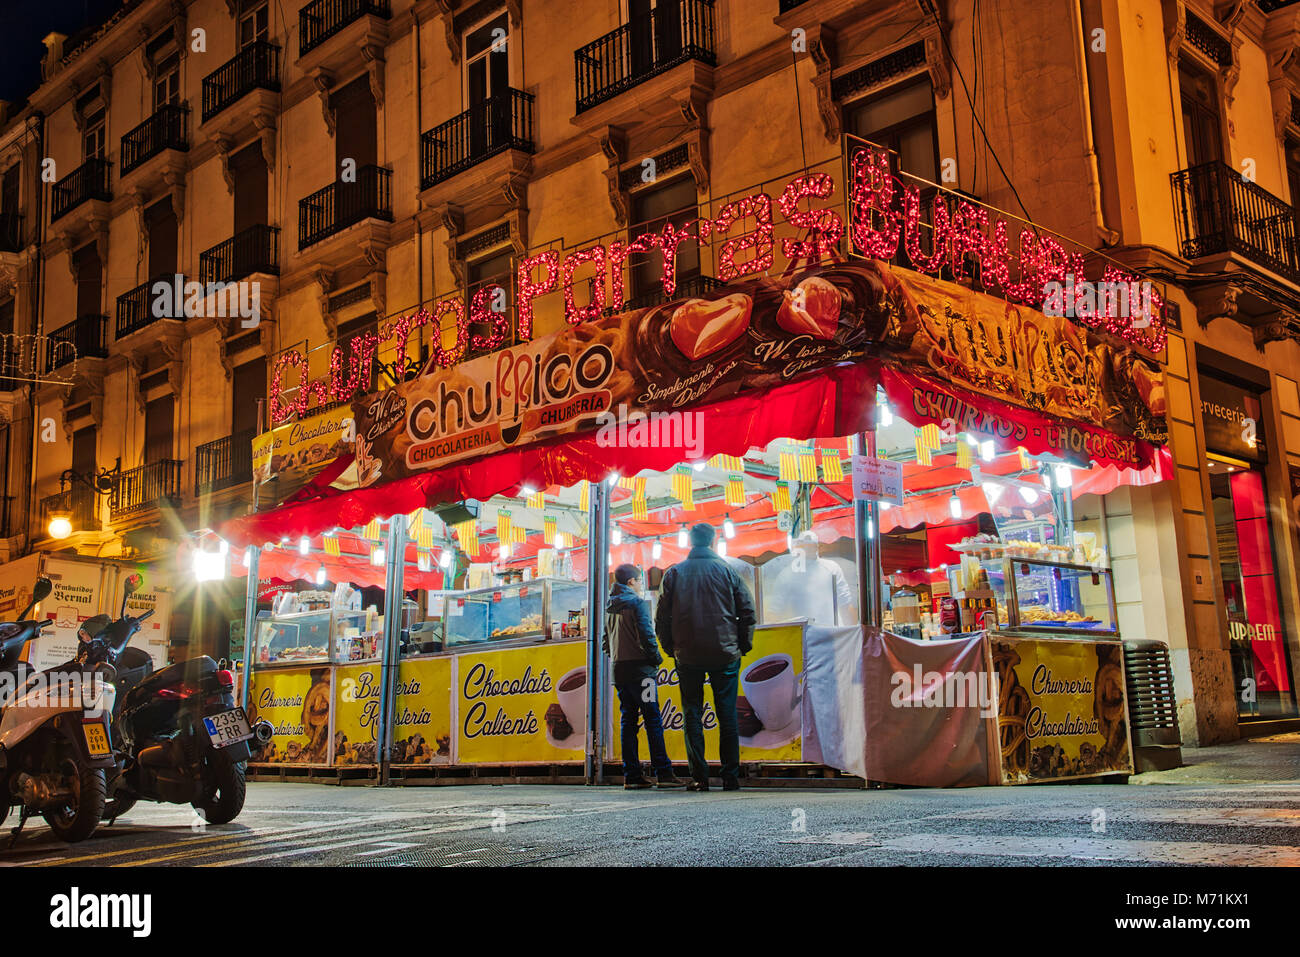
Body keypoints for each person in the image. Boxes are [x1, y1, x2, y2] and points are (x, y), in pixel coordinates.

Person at [655, 523, 757, 792]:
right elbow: (747, 611)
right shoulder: (728, 571)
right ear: (713, 542)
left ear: (690, 542)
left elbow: (661, 617)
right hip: (725, 653)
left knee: (692, 714)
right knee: (727, 716)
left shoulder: (674, 573)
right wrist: (742, 645)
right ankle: (730, 777)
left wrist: (670, 648)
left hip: (687, 655)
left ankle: (699, 777)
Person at [605, 564, 686, 790]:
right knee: (652, 719)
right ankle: (664, 772)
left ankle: (631, 775)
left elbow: (605, 641)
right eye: (640, 581)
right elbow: (647, 635)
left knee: (628, 721)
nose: (641, 585)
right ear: (632, 581)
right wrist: (656, 659)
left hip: (619, 671)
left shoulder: (609, 607)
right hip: (642, 672)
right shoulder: (638, 604)